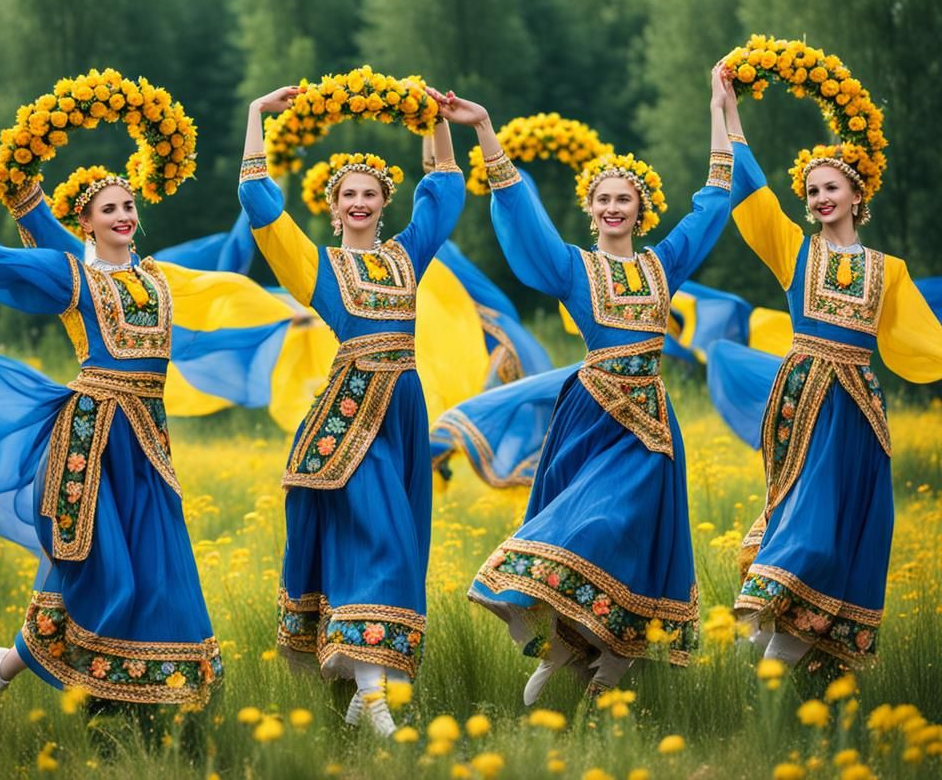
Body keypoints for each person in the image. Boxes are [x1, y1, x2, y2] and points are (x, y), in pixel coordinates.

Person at [438, 67, 735, 702]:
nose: (610, 207)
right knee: (584, 527)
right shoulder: (576, 270)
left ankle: (613, 658)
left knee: (631, 534)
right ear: (591, 209)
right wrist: (487, 130)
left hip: (650, 425)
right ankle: (567, 643)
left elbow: (714, 199)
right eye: (601, 198)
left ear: (640, 209)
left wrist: (720, 106)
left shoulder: (665, 264)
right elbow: (524, 215)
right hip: (592, 418)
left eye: (622, 198)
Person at [0, 175, 222, 713]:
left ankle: (141, 692)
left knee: (156, 561)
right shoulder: (75, 276)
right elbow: (14, 263)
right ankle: (4, 669)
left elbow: (220, 268)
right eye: (109, 209)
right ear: (86, 223)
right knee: (90, 563)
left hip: (147, 442)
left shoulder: (157, 278)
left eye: (129, 206)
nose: (123, 216)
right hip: (92, 439)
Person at [237, 86, 464, 736]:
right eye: (348, 196)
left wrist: (436, 122)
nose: (359, 202)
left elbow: (444, 194)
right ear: (334, 209)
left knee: (402, 539)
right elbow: (259, 203)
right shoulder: (318, 267)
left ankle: (367, 691)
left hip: (402, 412)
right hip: (348, 416)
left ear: (382, 206)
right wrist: (256, 116)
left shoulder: (405, 258)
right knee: (384, 535)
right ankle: (374, 694)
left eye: (369, 194)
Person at [724, 90, 942, 678]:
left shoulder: (888, 271)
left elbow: (926, 340)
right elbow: (751, 194)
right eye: (813, 190)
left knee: (853, 522)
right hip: (806, 399)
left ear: (856, 194)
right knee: (809, 521)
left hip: (860, 411)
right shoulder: (795, 253)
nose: (820, 198)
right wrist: (728, 112)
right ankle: (768, 624)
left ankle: (793, 645)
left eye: (831, 188)